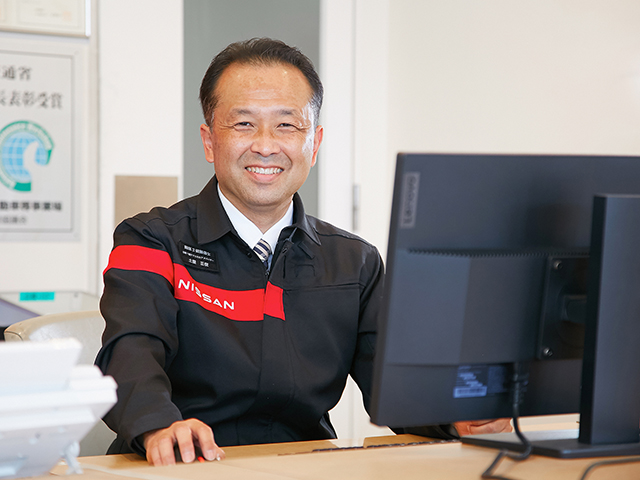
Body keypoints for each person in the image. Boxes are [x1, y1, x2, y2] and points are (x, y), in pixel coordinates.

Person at [96, 38, 510, 467]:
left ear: (314, 143)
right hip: (180, 467)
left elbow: (398, 389)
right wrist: (159, 425)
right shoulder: (149, 240)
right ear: (209, 141)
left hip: (305, 466)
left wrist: (460, 416)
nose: (265, 145)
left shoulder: (355, 264)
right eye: (243, 124)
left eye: (287, 126)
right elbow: (129, 355)